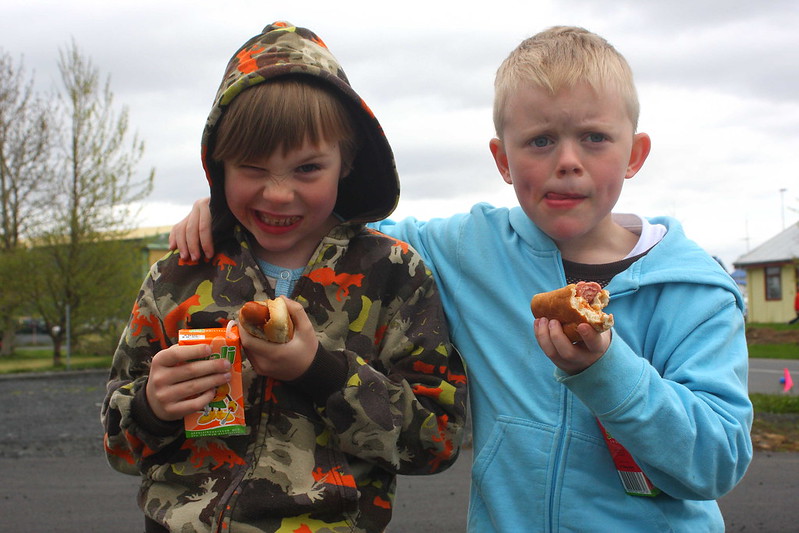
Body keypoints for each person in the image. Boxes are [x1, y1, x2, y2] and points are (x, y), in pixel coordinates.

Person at [169, 26, 752, 532]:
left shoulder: (693, 292)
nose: (568, 160)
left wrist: (606, 372)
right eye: (540, 140)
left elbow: (717, 463)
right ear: (502, 160)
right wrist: (226, 210)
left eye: (595, 137)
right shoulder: (468, 249)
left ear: (635, 154)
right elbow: (329, 224)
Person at [102, 22, 467, 533]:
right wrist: (151, 407)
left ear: (348, 163)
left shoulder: (394, 275)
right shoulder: (177, 275)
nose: (277, 194)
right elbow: (119, 447)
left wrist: (319, 371)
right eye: (252, 168)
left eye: (307, 169)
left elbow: (438, 441)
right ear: (218, 166)